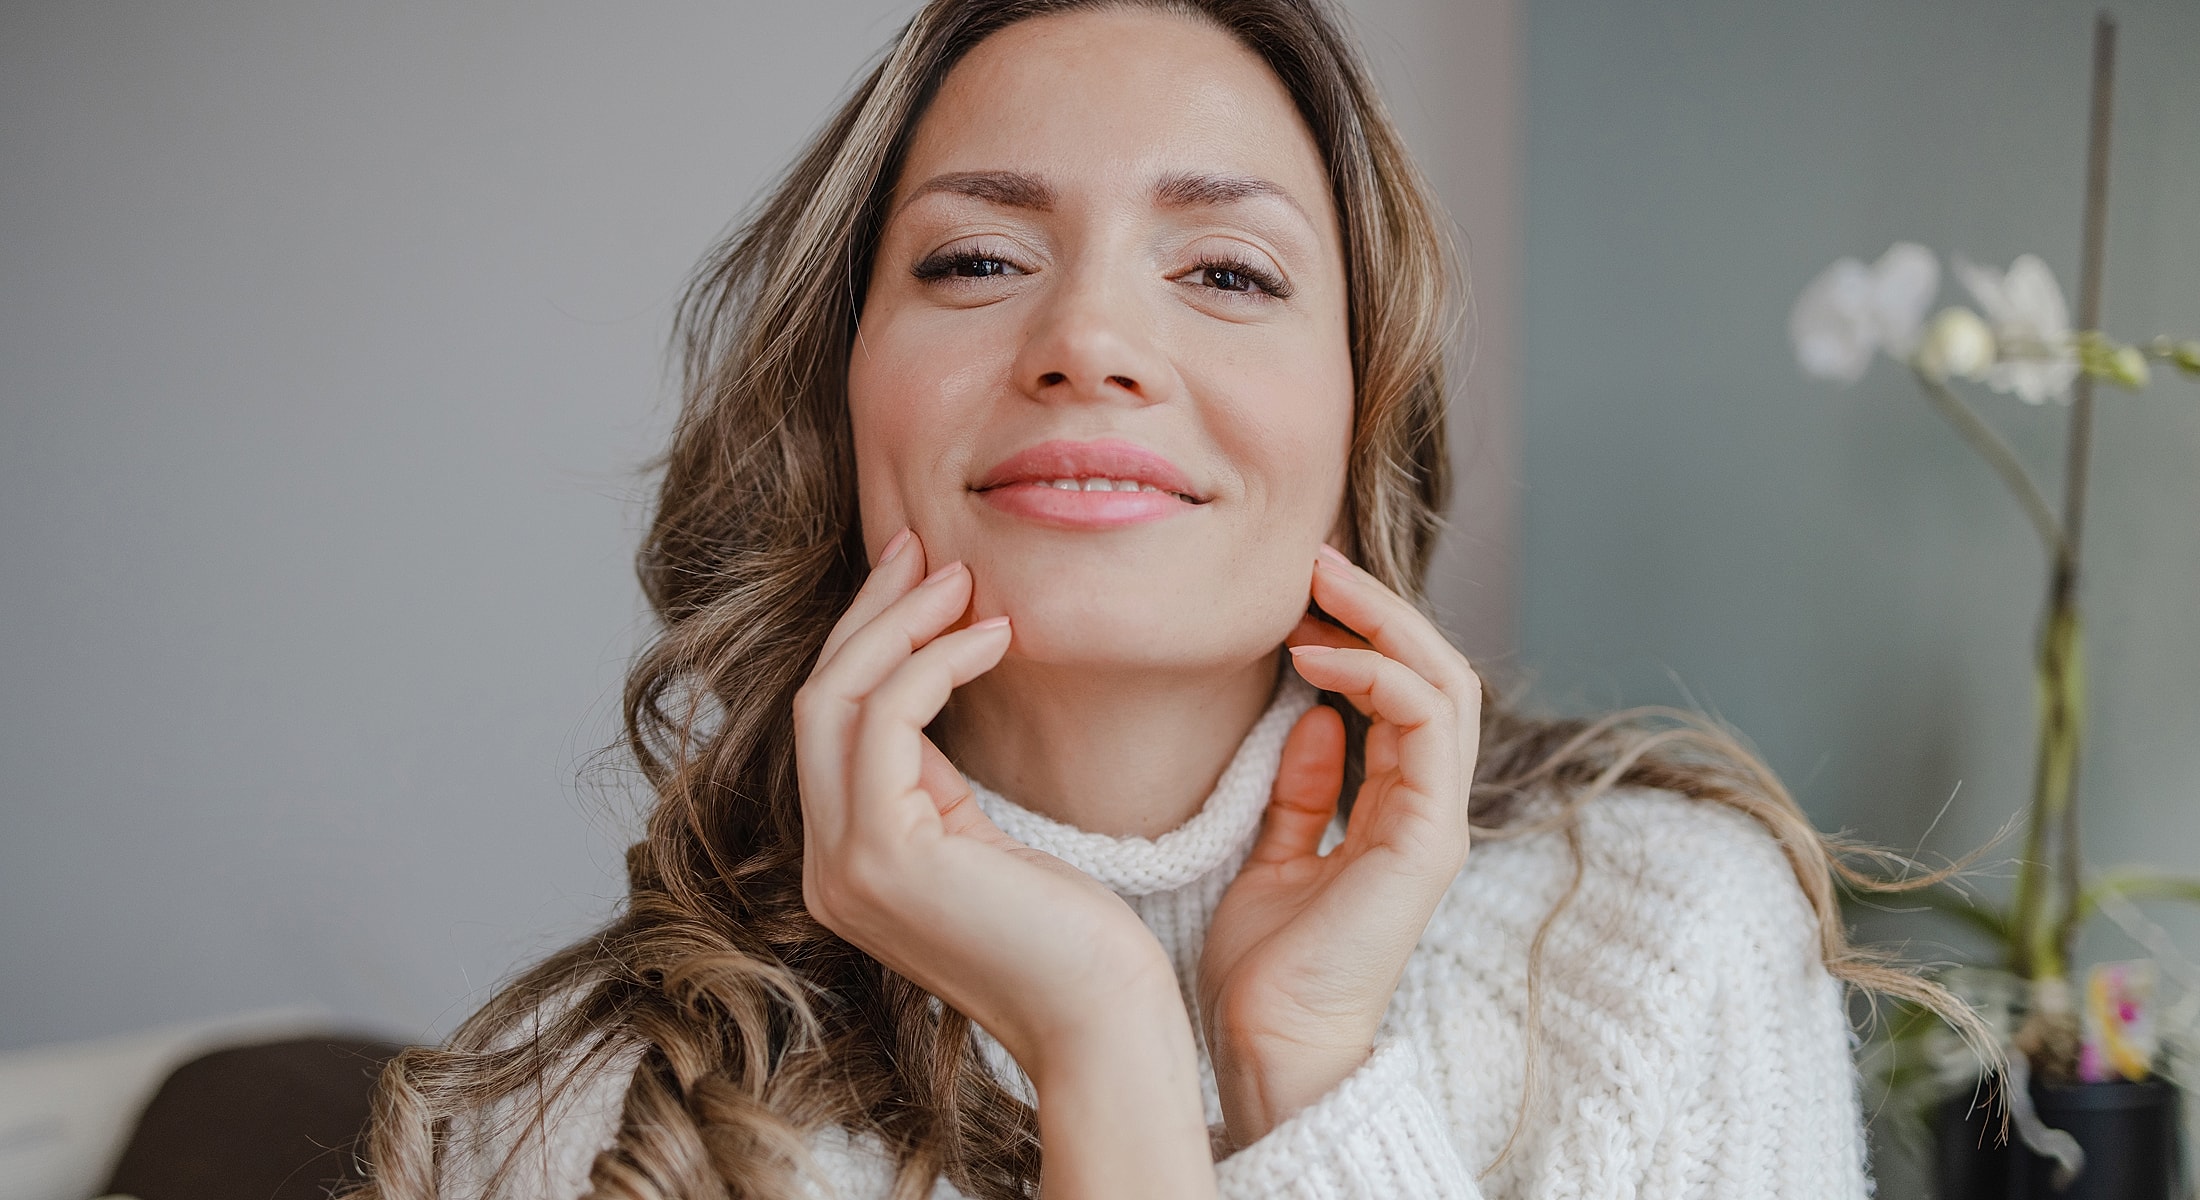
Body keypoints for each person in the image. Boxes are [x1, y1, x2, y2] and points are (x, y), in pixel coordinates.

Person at [354, 2, 1993, 1197]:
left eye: (1226, 273)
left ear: (1364, 416)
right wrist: (1109, 1043)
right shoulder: (591, 1123)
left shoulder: (1657, 944)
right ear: (841, 399)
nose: (1090, 340)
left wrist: (1302, 1076)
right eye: (976, 259)